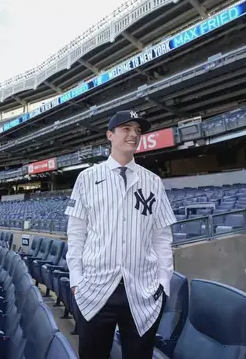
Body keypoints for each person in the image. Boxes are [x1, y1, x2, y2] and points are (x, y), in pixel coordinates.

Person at [65, 110, 176, 359]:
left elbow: (162, 237)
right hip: (94, 287)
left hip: (142, 290)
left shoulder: (153, 182)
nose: (134, 134)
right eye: (126, 129)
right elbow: (76, 233)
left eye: (137, 130)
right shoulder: (86, 178)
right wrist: (76, 279)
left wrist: (164, 282)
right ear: (110, 135)